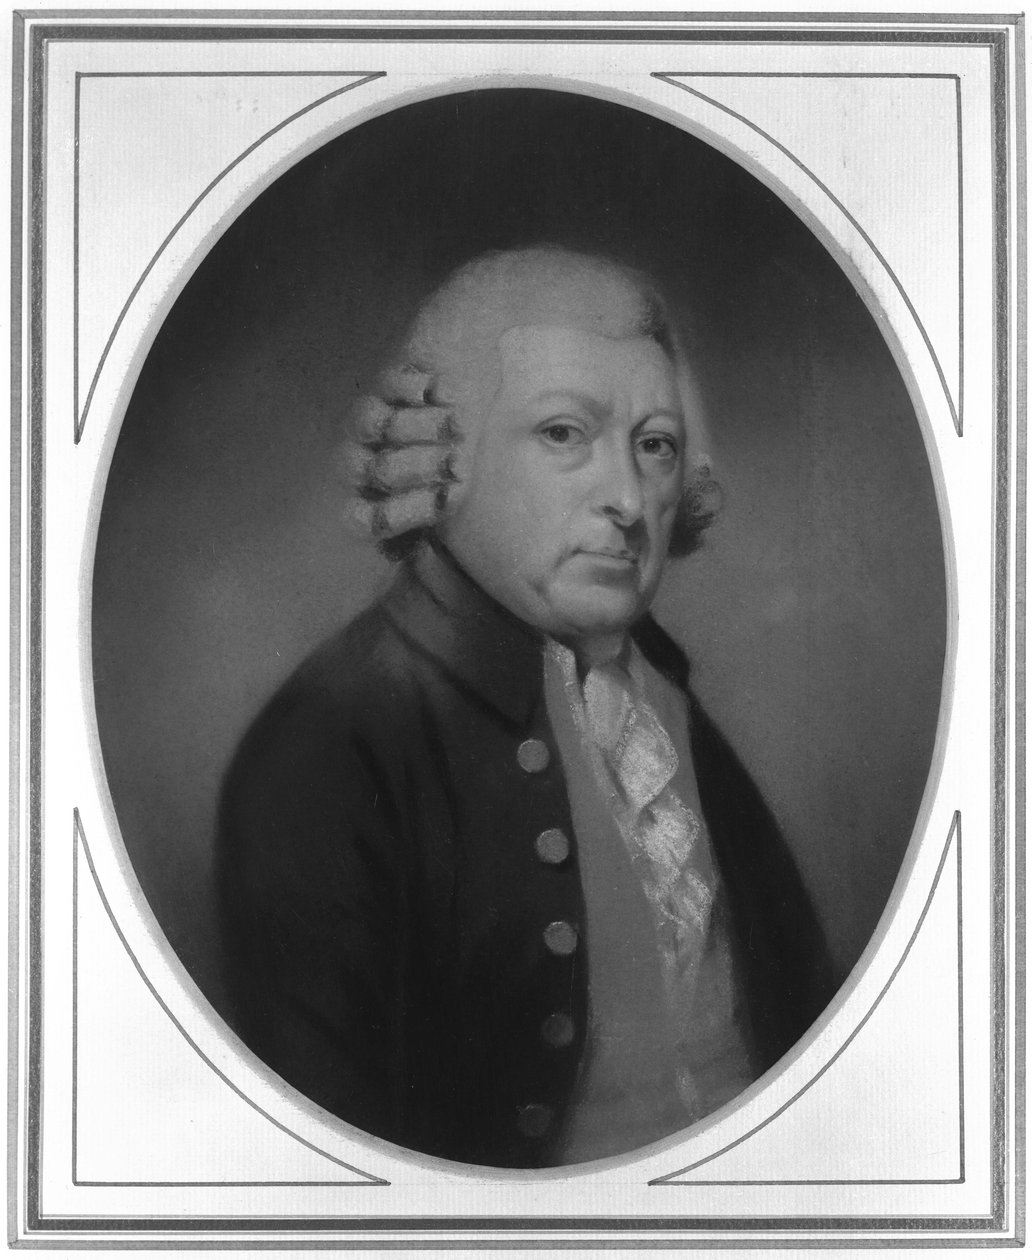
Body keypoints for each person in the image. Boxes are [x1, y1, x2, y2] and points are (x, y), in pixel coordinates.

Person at [217, 246, 834, 1169]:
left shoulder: (663, 699)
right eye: (563, 433)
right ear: (440, 457)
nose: (627, 500)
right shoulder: (328, 746)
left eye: (655, 445)